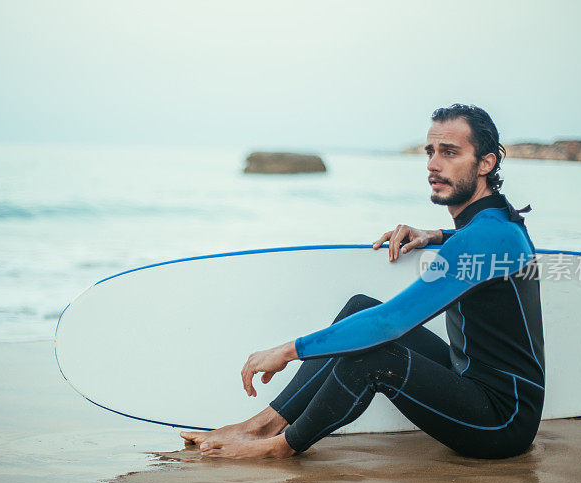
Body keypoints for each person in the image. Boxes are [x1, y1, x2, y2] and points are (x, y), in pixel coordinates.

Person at [181, 104, 544, 460]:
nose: (433, 165)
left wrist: (287, 351)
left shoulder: (485, 237)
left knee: (374, 352)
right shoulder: (495, 225)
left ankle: (281, 446)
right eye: (430, 152)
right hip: (472, 380)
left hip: (502, 422)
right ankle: (263, 424)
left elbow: (391, 322)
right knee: (360, 307)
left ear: (486, 162)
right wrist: (436, 235)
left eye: (450, 153)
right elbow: (477, 244)